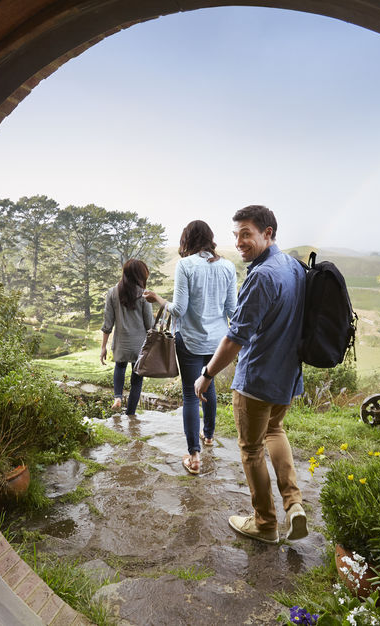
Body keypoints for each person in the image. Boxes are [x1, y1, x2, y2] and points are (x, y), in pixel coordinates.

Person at [193, 205, 308, 544]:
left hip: (257, 379)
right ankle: (294, 504)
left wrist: (208, 374)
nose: (240, 241)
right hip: (287, 376)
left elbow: (235, 338)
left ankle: (265, 523)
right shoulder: (293, 267)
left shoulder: (261, 276)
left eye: (246, 233)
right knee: (275, 429)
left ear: (267, 233)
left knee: (251, 449)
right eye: (236, 235)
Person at [144, 220, 237, 475]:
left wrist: (158, 299)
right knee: (210, 384)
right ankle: (208, 436)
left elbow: (179, 309)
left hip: (191, 341)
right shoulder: (228, 267)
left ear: (187, 240)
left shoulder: (185, 265)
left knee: (189, 395)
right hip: (219, 341)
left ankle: (194, 457)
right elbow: (232, 310)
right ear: (210, 239)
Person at [101, 259, 154, 417]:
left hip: (121, 343)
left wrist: (103, 347)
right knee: (136, 379)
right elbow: (149, 324)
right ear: (139, 275)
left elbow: (107, 323)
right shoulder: (144, 294)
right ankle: (130, 414)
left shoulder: (112, 292)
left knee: (120, 367)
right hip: (140, 344)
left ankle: (117, 397)